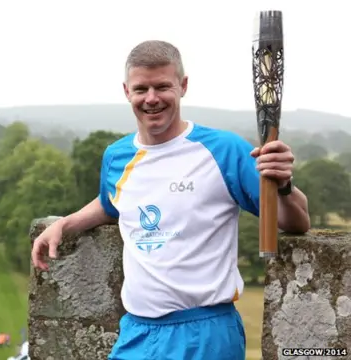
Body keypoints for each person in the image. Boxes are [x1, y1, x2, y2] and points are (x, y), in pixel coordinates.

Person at [31, 40, 310, 360]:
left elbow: (294, 221)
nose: (151, 98)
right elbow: (112, 205)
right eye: (141, 89)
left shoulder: (224, 151)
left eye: (162, 86)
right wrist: (65, 224)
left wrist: (284, 185)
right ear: (126, 91)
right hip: (137, 331)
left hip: (206, 332)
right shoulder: (117, 157)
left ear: (183, 85)